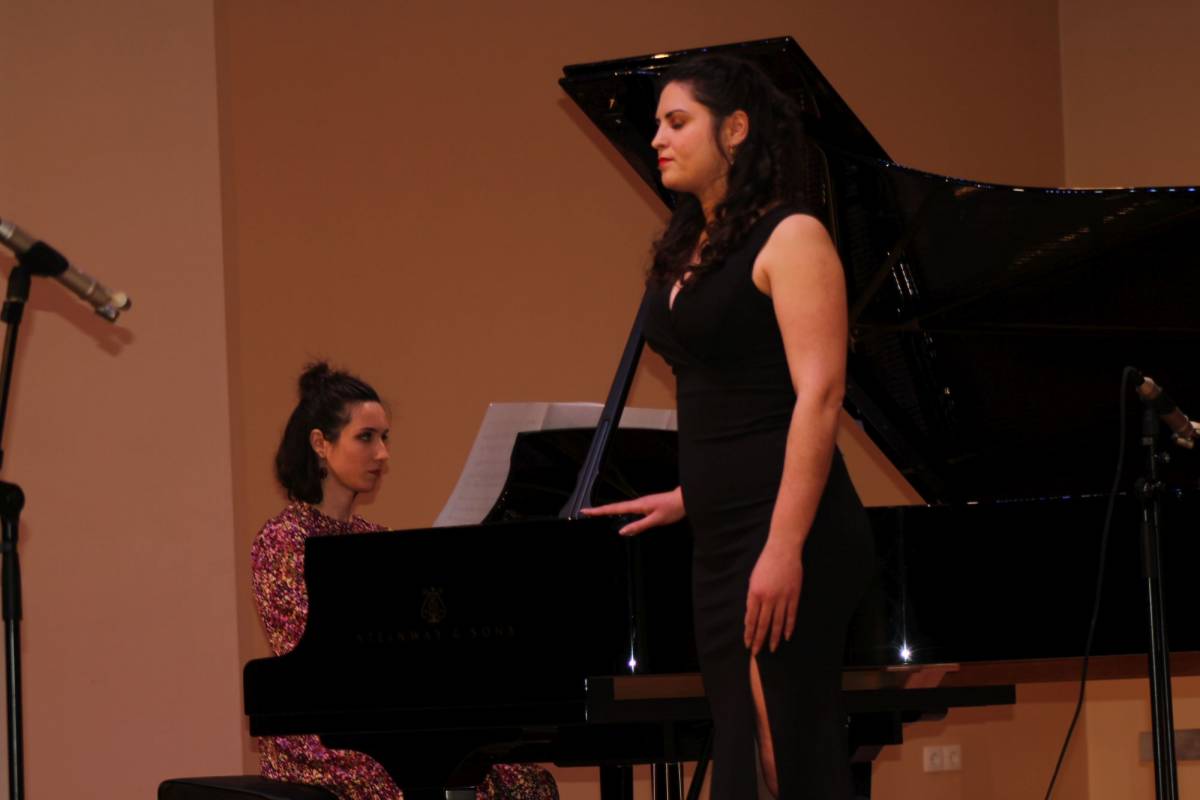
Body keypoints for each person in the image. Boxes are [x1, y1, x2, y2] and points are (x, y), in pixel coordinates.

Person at [582, 56, 875, 800]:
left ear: (736, 129)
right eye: (657, 124)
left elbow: (819, 396)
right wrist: (693, 493)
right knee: (746, 753)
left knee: (786, 754)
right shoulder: (688, 245)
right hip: (719, 536)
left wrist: (784, 546)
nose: (657, 138)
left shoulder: (792, 237)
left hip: (790, 528)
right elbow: (729, 393)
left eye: (677, 122)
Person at [252, 362, 559, 800]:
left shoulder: (377, 539)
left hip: (390, 721)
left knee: (529, 782)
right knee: (419, 783)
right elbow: (316, 661)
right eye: (366, 437)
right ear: (320, 443)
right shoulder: (283, 539)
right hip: (319, 737)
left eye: (384, 438)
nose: (382, 454)